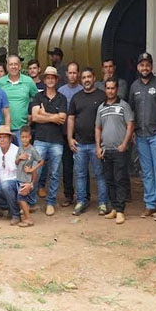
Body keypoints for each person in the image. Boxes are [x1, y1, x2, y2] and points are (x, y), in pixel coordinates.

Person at [129, 52, 156, 221]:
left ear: (151, 67)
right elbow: (131, 110)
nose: (144, 68)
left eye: (147, 65)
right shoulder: (134, 87)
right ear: (138, 67)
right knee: (146, 172)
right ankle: (150, 205)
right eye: (142, 65)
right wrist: (132, 130)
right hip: (140, 135)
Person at [68, 67, 108, 216]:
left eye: (89, 77)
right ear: (81, 79)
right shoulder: (76, 97)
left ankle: (103, 203)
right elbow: (70, 118)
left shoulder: (102, 96)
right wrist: (70, 138)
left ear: (94, 78)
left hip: (96, 144)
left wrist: (104, 142)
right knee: (80, 174)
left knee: (100, 174)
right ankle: (81, 202)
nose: (86, 80)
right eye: (84, 77)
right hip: (79, 143)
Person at [95, 79, 135, 224]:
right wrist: (98, 147)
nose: (110, 91)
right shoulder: (101, 108)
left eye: (113, 88)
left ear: (117, 89)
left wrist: (124, 144)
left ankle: (120, 211)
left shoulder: (124, 106)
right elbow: (98, 128)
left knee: (120, 179)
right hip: (106, 150)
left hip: (120, 150)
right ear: (105, 90)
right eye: (108, 88)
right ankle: (114, 208)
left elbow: (130, 125)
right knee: (109, 180)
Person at [29, 66, 68, 216]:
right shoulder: (38, 97)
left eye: (53, 77)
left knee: (55, 173)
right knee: (35, 172)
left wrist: (44, 113)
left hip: (57, 141)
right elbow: (35, 117)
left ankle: (51, 202)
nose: (50, 80)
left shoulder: (62, 98)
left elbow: (63, 118)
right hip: (40, 139)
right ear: (44, 80)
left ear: (56, 80)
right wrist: (53, 117)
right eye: (48, 78)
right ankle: (32, 202)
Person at [56, 62, 83, 206]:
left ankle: (82, 195)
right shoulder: (61, 91)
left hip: (80, 134)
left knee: (81, 167)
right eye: (70, 73)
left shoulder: (83, 90)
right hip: (64, 134)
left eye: (75, 73)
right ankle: (68, 195)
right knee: (67, 166)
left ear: (78, 74)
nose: (72, 75)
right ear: (66, 74)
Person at [0, 55, 39, 137]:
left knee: (22, 150)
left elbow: (37, 99)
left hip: (23, 129)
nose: (13, 67)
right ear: (7, 67)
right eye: (11, 64)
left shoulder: (29, 81)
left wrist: (31, 113)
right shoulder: (0, 82)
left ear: (20, 66)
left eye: (15, 64)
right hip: (4, 128)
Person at [14, 126, 41, 227]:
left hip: (26, 179)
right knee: (21, 199)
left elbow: (41, 161)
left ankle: (28, 219)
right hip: (19, 177)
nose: (24, 139)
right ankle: (26, 217)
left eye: (26, 137)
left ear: (30, 137)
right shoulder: (20, 148)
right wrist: (20, 158)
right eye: (22, 137)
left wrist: (32, 169)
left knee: (22, 198)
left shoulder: (32, 150)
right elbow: (16, 162)